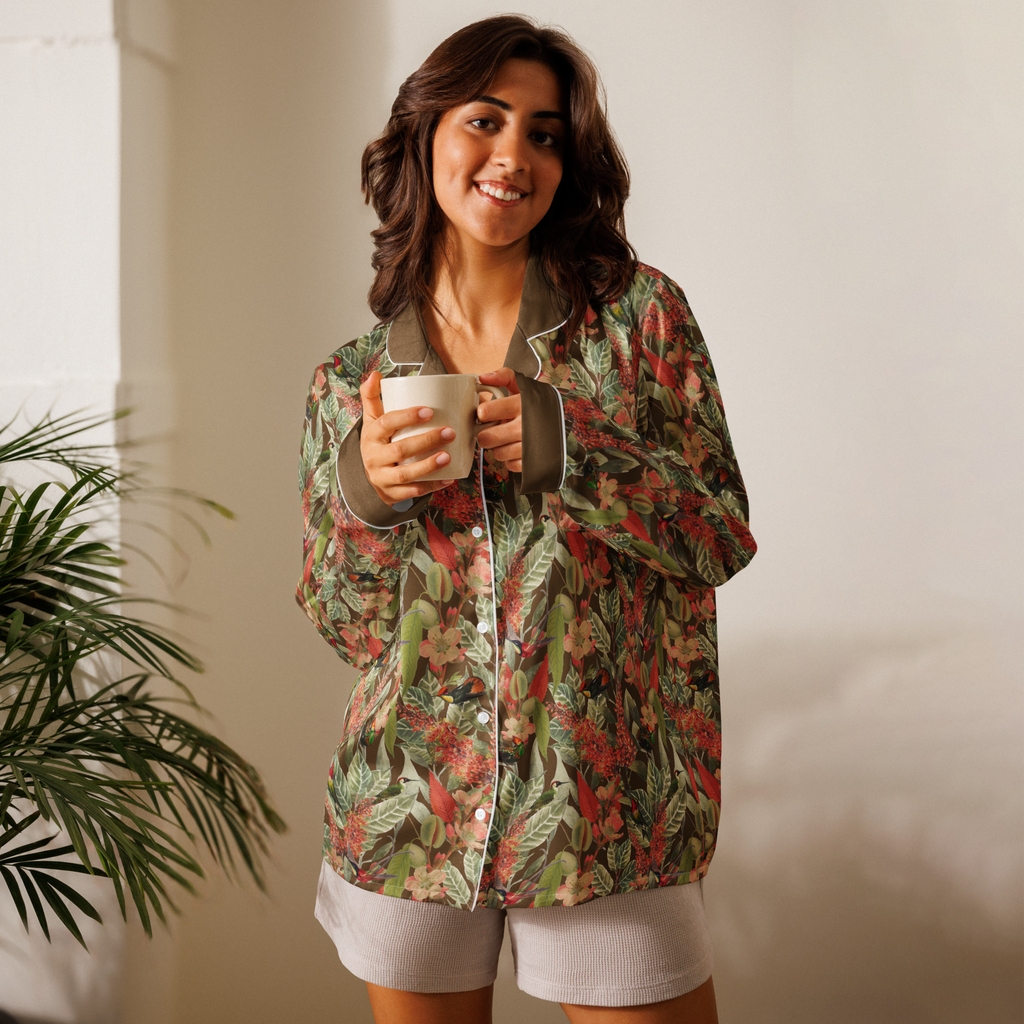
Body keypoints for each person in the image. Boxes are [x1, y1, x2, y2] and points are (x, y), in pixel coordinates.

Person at [296, 15, 755, 1024]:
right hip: (410, 813)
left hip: (606, 813)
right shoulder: (350, 380)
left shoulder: (640, 321)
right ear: (425, 134)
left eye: (544, 135)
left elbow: (718, 532)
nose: (514, 155)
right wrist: (367, 493)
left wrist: (569, 447)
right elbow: (346, 622)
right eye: (485, 120)